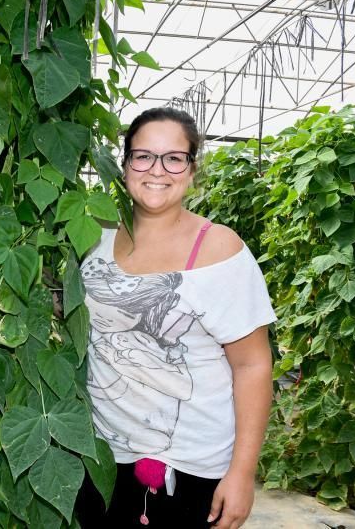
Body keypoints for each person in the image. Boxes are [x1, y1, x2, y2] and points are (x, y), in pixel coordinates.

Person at [76, 107, 275, 529]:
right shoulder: (95, 235)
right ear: (125, 163)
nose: (157, 170)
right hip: (102, 455)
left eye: (174, 158)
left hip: (189, 465)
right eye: (143, 156)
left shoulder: (221, 249)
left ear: (191, 169)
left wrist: (242, 473)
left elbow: (252, 364)